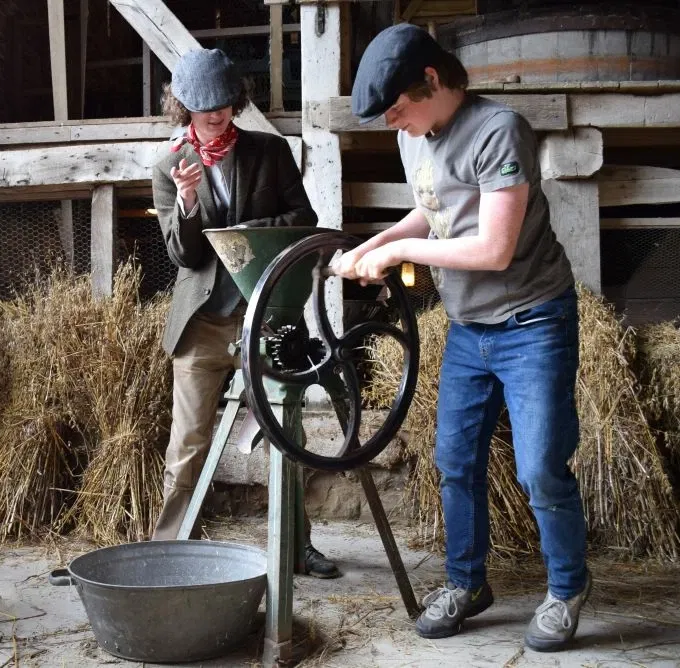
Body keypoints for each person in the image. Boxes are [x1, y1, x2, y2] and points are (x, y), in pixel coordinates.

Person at [336, 24, 590, 651]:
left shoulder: (499, 130)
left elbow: (494, 248)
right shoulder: (416, 137)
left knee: (538, 469)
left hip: (532, 320)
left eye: (399, 108)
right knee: (455, 463)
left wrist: (397, 254)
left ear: (432, 78)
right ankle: (466, 584)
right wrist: (370, 245)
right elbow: (434, 207)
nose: (395, 123)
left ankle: (566, 589)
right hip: (467, 327)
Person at [150, 48, 339, 578]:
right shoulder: (169, 167)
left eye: (225, 103)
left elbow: (305, 217)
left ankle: (297, 546)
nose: (216, 114)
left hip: (268, 317)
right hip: (203, 325)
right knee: (187, 443)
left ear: (237, 99)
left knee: (287, 435)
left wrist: (246, 238)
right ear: (182, 104)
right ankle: (168, 550)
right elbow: (184, 257)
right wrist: (188, 206)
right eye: (205, 105)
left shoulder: (269, 151)